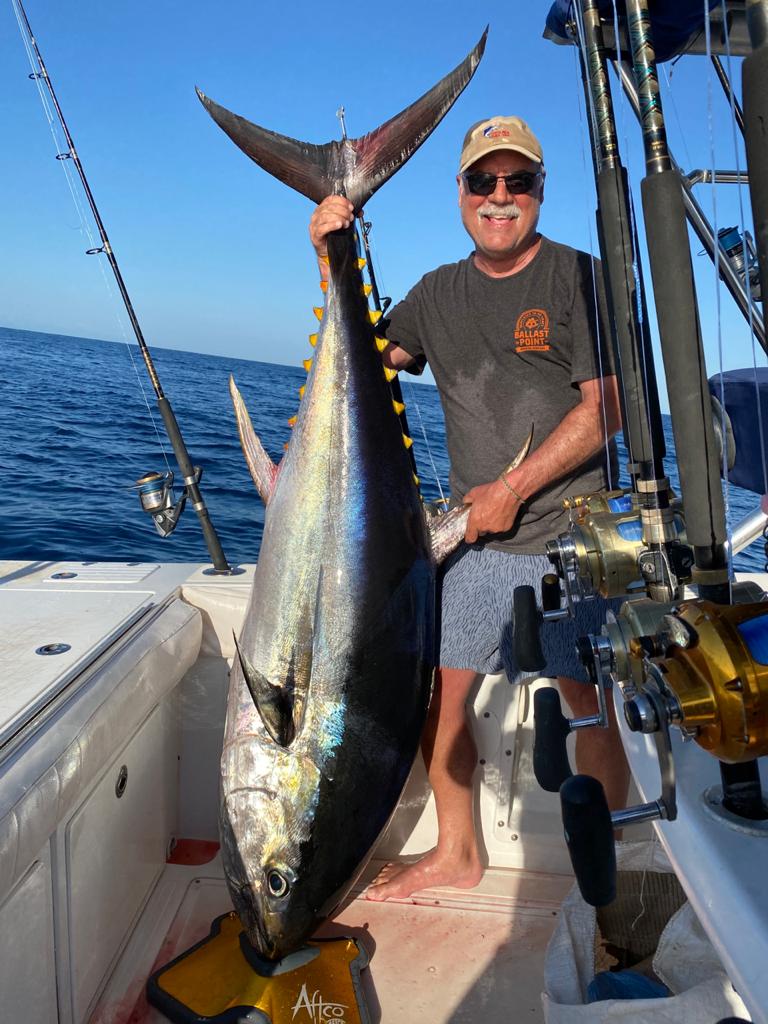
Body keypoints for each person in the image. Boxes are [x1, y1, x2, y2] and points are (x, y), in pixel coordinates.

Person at [309, 116, 628, 901]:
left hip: (567, 538)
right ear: (460, 192)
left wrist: (514, 489)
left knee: (587, 705)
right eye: (483, 181)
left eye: (517, 182)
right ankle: (458, 851)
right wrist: (330, 261)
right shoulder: (435, 294)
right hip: (470, 540)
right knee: (436, 695)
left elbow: (607, 409)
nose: (499, 197)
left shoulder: (577, 279)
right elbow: (361, 364)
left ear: (540, 193)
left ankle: (612, 859)